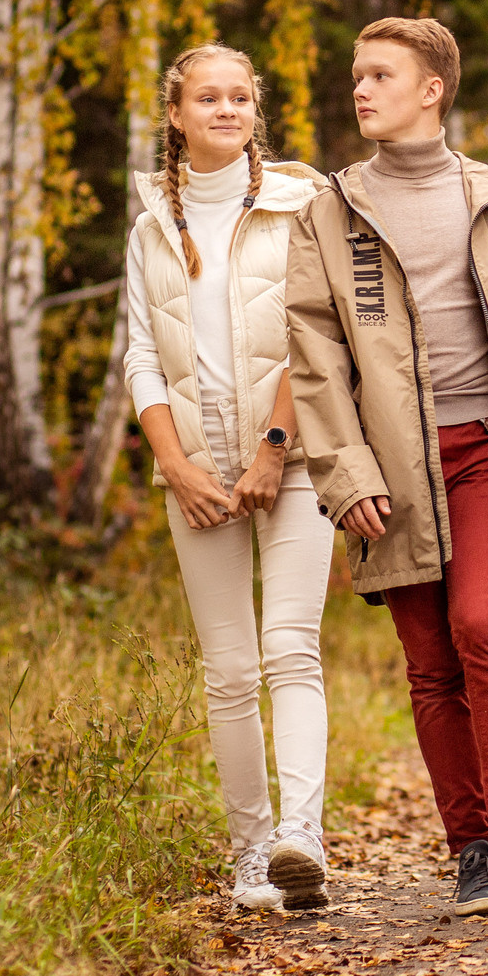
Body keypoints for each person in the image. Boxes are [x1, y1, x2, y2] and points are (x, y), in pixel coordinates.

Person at [284, 17, 488, 918]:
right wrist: (345, 474)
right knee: (428, 664)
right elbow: (313, 354)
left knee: (482, 625)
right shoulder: (329, 210)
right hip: (386, 469)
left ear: (433, 88)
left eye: (380, 74)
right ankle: (470, 852)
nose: (362, 91)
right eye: (356, 76)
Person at [121, 44, 337, 910]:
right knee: (228, 671)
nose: (225, 109)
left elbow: (314, 334)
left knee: (291, 648)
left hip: (293, 457)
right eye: (207, 98)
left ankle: (303, 838)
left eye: (240, 97)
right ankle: (252, 858)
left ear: (257, 109)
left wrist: (273, 450)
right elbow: (142, 355)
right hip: (197, 471)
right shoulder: (149, 227)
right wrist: (175, 467)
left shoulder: (301, 203)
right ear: (175, 115)